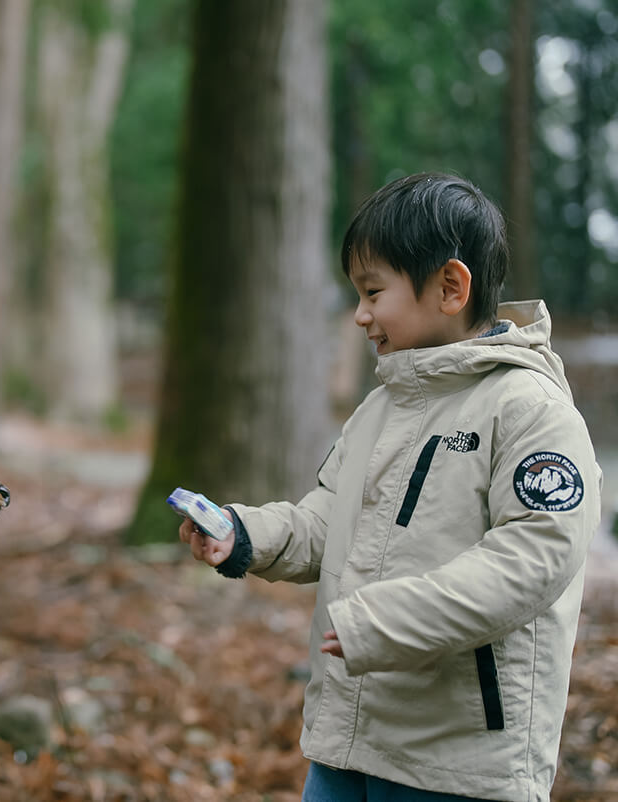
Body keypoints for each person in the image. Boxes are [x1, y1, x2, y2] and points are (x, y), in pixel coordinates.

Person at [179, 172, 602, 801]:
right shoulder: (382, 409)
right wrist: (245, 533)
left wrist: (384, 623)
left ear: (450, 287)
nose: (360, 315)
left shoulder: (528, 410)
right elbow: (330, 519)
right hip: (349, 737)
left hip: (460, 761)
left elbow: (536, 556)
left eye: (374, 291)